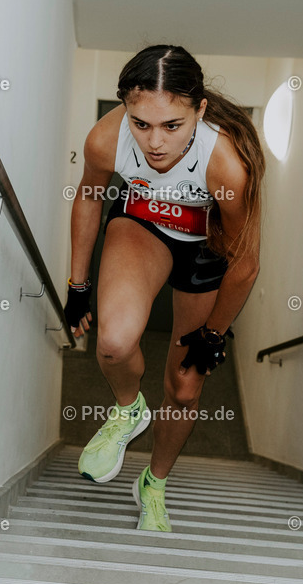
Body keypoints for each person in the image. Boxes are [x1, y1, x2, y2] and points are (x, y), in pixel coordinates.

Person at [64, 44, 263, 532]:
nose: (154, 143)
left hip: (205, 248)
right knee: (113, 343)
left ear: (199, 110)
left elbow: (245, 264)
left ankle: (153, 483)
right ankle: (129, 409)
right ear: (125, 110)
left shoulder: (226, 163)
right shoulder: (105, 138)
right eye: (141, 123)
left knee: (185, 387)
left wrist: (214, 334)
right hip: (142, 225)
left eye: (172, 126)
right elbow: (89, 196)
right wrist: (78, 284)